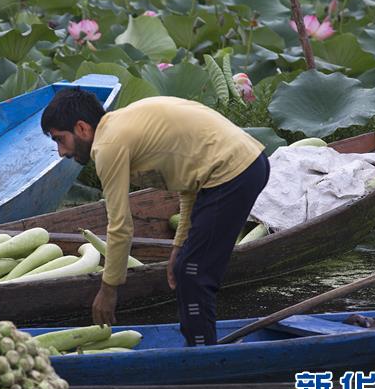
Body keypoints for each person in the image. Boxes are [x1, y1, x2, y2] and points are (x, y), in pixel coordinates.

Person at [41, 88, 270, 346]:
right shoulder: (121, 126)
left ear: (82, 129)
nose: (61, 152)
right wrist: (178, 245)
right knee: (188, 267)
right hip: (245, 165)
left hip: (233, 172)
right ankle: (201, 346)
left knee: (193, 274)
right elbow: (188, 183)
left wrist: (109, 288)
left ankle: (203, 357)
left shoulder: (108, 145)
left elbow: (120, 226)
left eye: (60, 140)